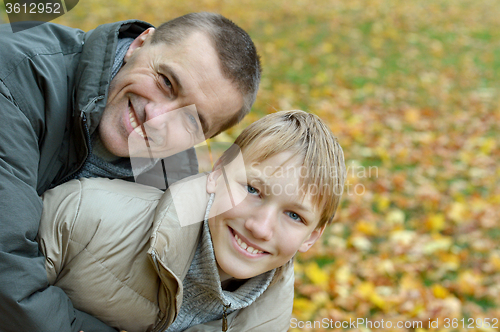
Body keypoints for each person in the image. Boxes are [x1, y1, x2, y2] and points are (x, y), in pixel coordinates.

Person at [0, 12, 261, 332]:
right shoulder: (16, 76)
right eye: (166, 82)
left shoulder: (172, 186)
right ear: (139, 44)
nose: (157, 117)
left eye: (191, 120)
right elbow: (8, 272)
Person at [37, 110, 347, 332]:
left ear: (312, 236)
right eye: (252, 189)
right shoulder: (84, 215)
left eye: (294, 215)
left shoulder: (270, 320)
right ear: (218, 172)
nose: (260, 227)